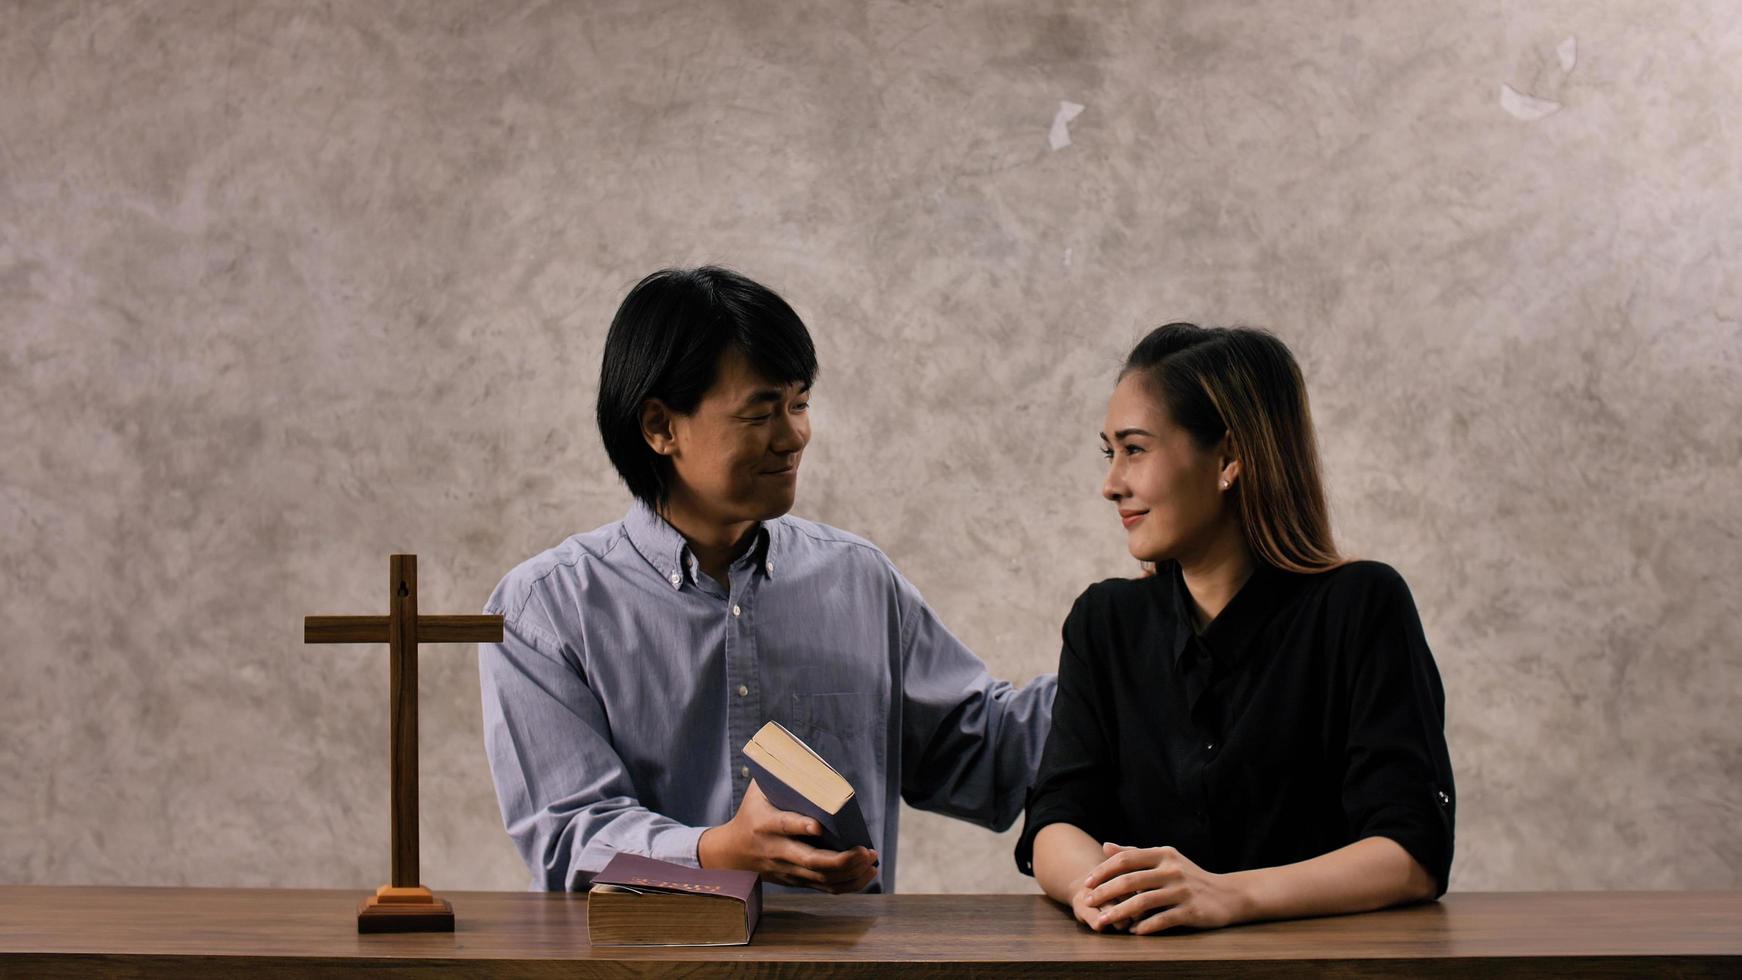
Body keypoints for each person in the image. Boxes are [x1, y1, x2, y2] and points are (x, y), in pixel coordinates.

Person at [480, 266, 1055, 894]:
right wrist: (716, 851)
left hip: (843, 977)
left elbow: (984, 753)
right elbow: (568, 838)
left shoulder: (858, 580)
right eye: (761, 413)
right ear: (660, 427)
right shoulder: (546, 611)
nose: (795, 436)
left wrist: (1144, 626)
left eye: (800, 403)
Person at [1018, 323, 1455, 934]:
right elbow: (1057, 819)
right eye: (1108, 452)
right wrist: (1099, 890)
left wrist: (1228, 896)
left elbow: (1412, 854)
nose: (1111, 483)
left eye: (1135, 449)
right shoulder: (1104, 621)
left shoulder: (1361, 605)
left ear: (1227, 458)